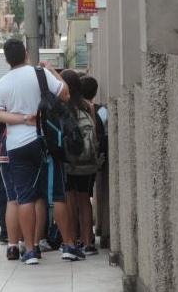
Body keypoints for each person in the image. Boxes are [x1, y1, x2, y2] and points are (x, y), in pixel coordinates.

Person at [0, 38, 80, 264]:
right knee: (57, 194)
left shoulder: (2, 84)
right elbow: (65, 95)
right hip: (45, 142)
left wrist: (20, 119)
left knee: (24, 198)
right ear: (26, 53)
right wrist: (54, 72)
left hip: (17, 147)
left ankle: (30, 251)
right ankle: (68, 245)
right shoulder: (39, 74)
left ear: (7, 59)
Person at [61, 69, 97, 258]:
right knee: (85, 200)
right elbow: (95, 136)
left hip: (69, 162)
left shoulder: (62, 107)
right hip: (88, 162)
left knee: (69, 200)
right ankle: (88, 241)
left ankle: (72, 240)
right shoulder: (87, 106)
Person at [79, 75, 105, 255]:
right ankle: (88, 240)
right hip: (93, 161)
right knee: (86, 198)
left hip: (74, 162)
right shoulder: (101, 111)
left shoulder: (75, 110)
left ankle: (78, 239)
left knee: (75, 199)